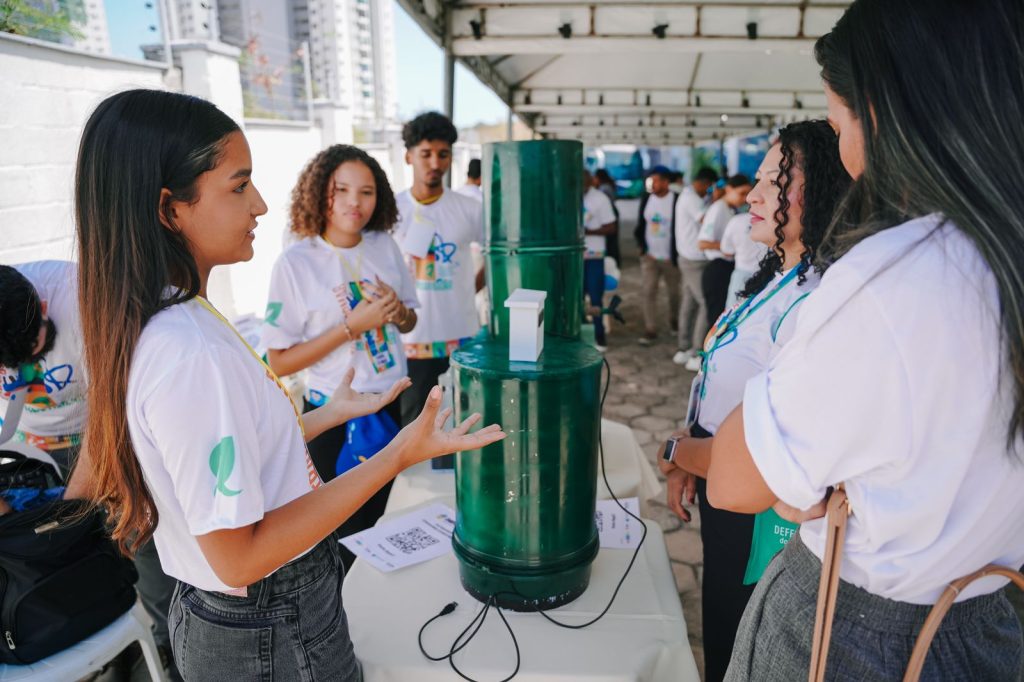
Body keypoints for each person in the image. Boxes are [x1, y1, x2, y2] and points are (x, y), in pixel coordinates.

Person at [72, 89, 506, 681]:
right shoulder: (191, 352)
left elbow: (227, 456)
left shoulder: (180, 319)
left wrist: (322, 417)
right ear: (170, 209)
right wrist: (401, 452)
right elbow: (240, 557)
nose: (259, 204)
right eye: (238, 185)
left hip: (258, 623)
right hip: (268, 626)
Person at [705, 1, 1024, 680]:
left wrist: (805, 473)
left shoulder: (900, 274)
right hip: (989, 618)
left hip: (854, 634)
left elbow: (735, 480)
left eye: (839, 118)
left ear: (883, 113)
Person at [659, 121, 850, 682]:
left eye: (778, 179)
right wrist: (688, 440)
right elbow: (723, 381)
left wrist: (676, 449)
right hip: (720, 492)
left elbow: (769, 458)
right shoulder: (776, 276)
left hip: (763, 518)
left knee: (743, 647)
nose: (755, 193)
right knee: (722, 634)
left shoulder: (820, 299)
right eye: (760, 178)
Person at [0, 261, 181, 679]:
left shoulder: (85, 296)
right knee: (67, 566)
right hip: (38, 451)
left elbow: (111, 412)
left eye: (37, 346)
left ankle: (165, 640)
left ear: (41, 305)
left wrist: (68, 515)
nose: (29, 364)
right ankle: (100, 642)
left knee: (139, 535)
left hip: (107, 430)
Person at [263, 144, 419, 569]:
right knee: (343, 533)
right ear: (319, 193)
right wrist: (353, 327)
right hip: (334, 412)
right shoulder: (297, 263)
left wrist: (397, 310)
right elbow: (278, 362)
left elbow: (409, 323)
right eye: (342, 190)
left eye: (366, 192)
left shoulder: (384, 245)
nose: (355, 202)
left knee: (388, 518)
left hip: (391, 401)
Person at [393, 112, 485, 431]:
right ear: (409, 156)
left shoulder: (470, 209)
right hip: (410, 344)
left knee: (464, 424)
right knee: (414, 430)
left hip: (462, 340)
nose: (435, 162)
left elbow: (496, 255)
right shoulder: (389, 211)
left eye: (443, 154)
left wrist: (469, 289)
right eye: (426, 154)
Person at [0, 262, 84, 474]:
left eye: (32, 350)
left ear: (44, 308)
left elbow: (114, 408)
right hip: (21, 440)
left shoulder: (82, 304)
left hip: (91, 435)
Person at [689, 174, 752, 371]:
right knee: (716, 318)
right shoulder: (718, 209)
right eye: (741, 193)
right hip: (717, 268)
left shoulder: (732, 210)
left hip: (728, 267)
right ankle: (704, 358)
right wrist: (730, 246)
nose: (745, 198)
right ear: (729, 189)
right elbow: (702, 242)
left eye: (747, 194)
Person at [673, 167, 718, 366]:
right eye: (709, 186)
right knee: (705, 303)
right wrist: (717, 200)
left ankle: (683, 347)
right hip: (694, 259)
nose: (709, 190)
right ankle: (695, 352)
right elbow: (705, 219)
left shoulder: (691, 196)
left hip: (689, 257)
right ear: (702, 182)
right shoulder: (691, 198)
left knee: (690, 302)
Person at [634, 166, 680, 346]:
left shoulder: (676, 200)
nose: (653, 184)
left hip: (670, 258)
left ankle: (674, 321)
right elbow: (640, 224)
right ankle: (650, 328)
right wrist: (641, 248)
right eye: (651, 180)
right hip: (650, 257)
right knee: (648, 292)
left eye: (657, 180)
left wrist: (676, 253)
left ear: (667, 182)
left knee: (674, 293)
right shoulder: (646, 199)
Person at [582, 168, 617, 351]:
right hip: (574, 259)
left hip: (594, 256)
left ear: (590, 181)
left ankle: (599, 336)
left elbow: (611, 227)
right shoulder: (569, 195)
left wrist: (589, 232)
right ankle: (578, 335)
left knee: (595, 297)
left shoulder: (600, 199)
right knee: (575, 299)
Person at [720, 213, 768, 309]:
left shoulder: (736, 221)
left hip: (741, 275)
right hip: (766, 274)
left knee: (731, 313)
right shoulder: (770, 220)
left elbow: (726, 250)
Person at [594, 168, 621, 267]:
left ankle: (613, 262)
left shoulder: (604, 188)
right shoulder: (609, 185)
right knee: (613, 241)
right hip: (613, 211)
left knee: (611, 241)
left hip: (610, 212)